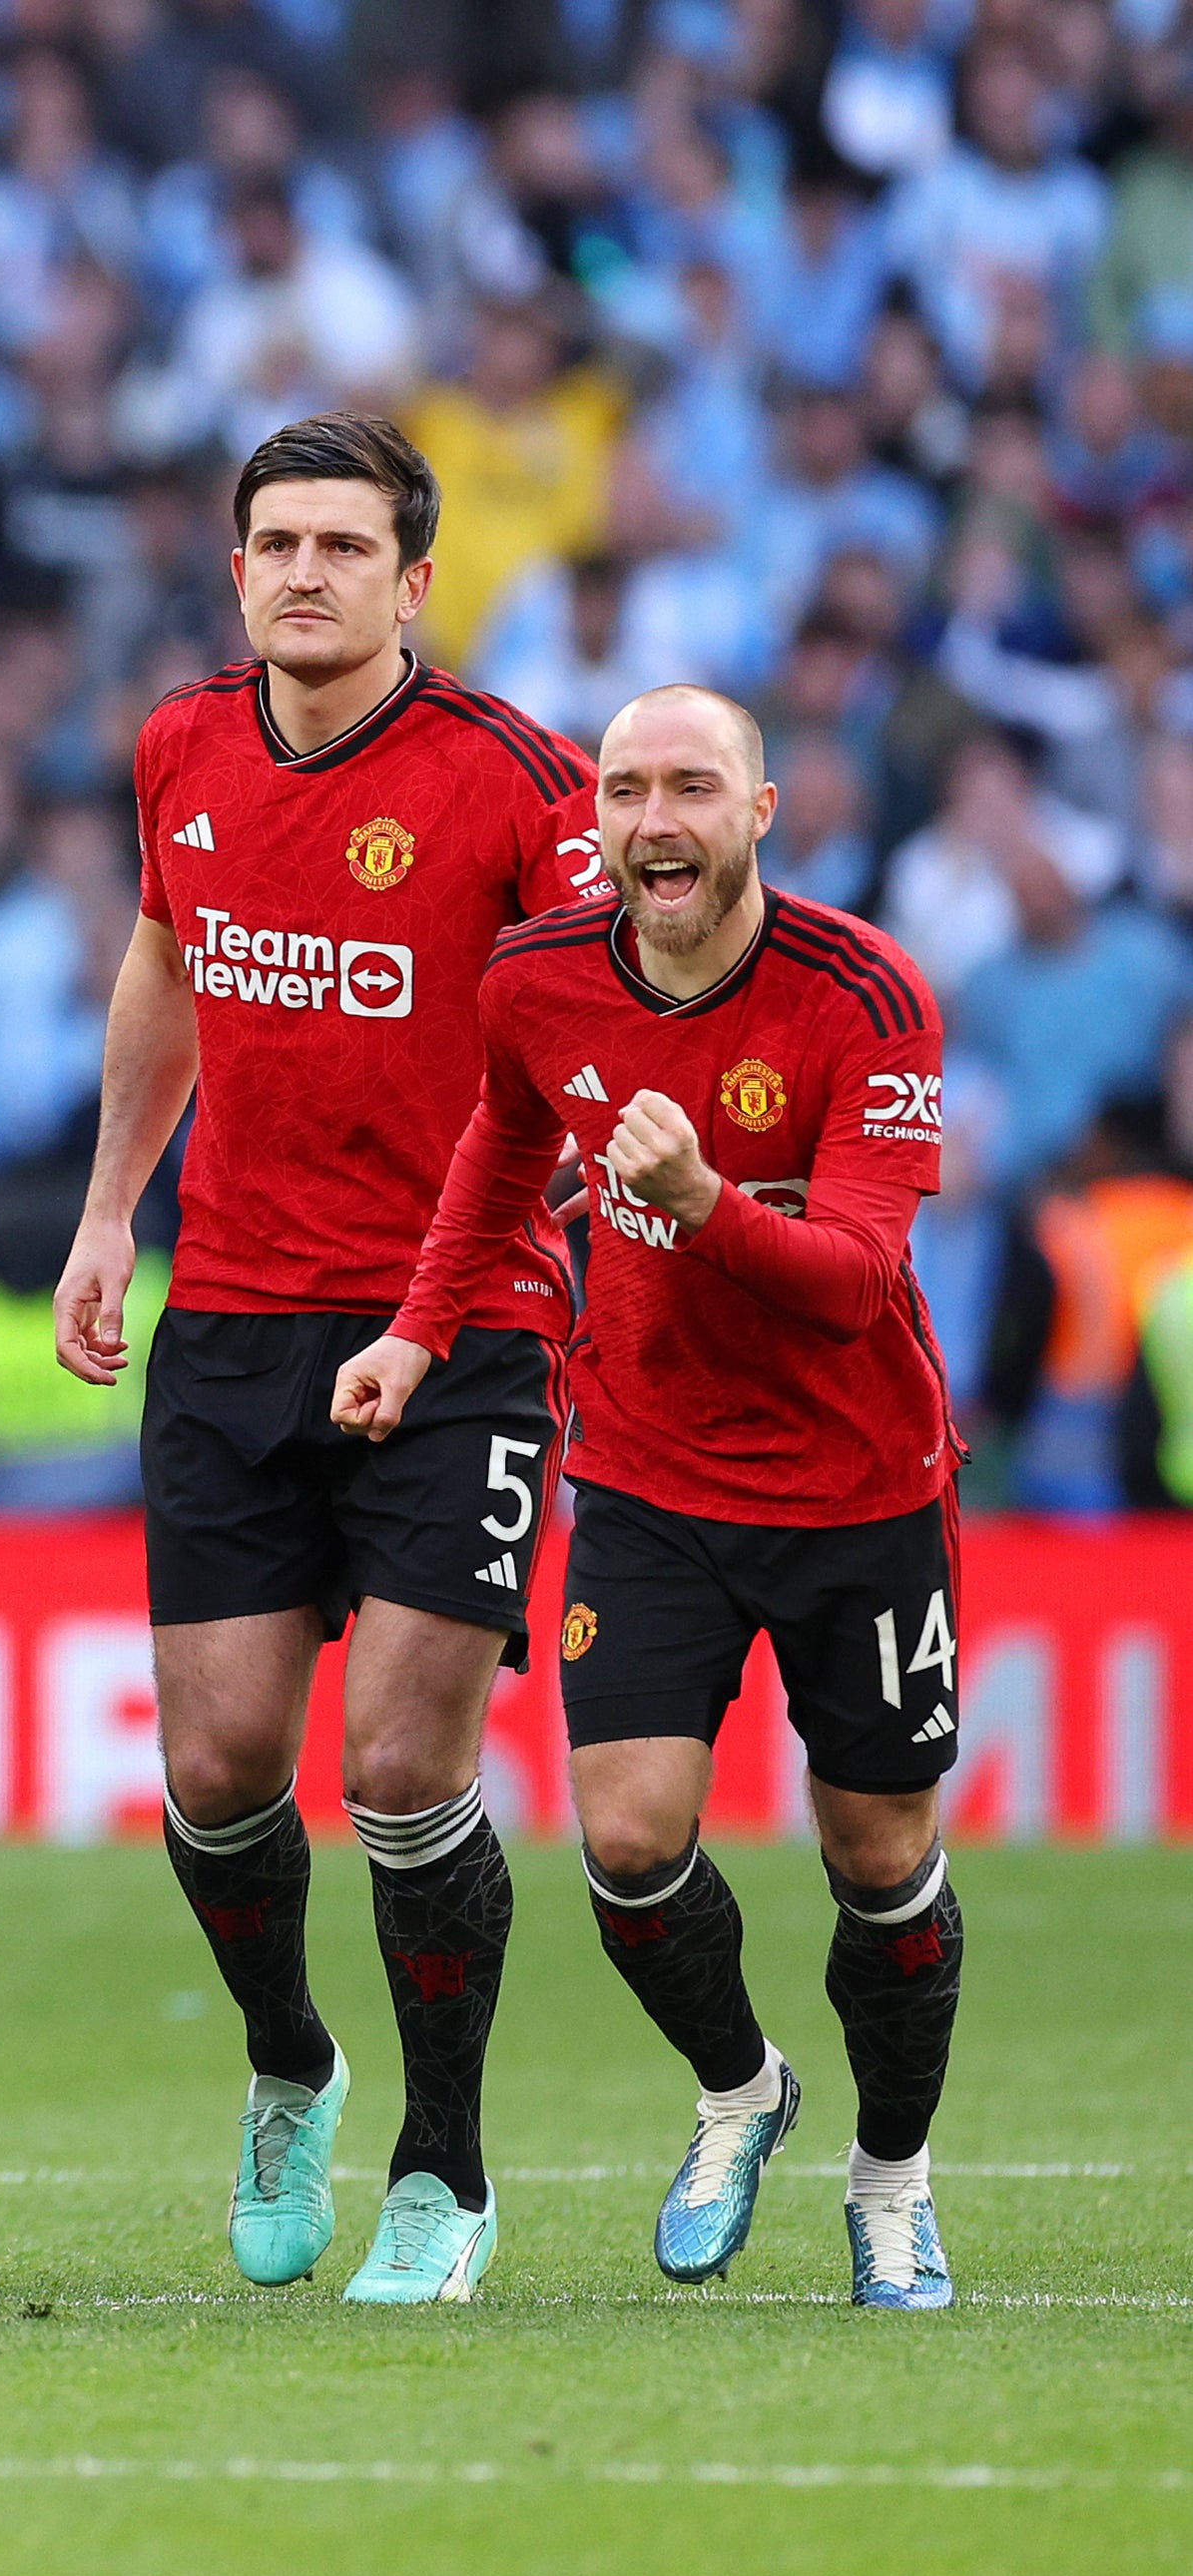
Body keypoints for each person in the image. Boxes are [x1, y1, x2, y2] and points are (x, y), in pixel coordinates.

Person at [53, 412, 609, 2306]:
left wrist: (444, 1310)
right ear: (236, 570)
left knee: (396, 1766)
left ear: (413, 580)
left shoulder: (518, 782)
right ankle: (292, 2061)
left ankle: (443, 2171)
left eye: (342, 547)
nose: (304, 572)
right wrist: (111, 1204)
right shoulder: (182, 745)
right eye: (274, 543)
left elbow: (577, 1042)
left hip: (460, 1331)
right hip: (229, 1318)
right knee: (216, 1769)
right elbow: (165, 963)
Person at [334, 687, 969, 2312]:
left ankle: (892, 2184)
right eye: (625, 790)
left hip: (857, 1487)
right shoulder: (537, 977)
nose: (653, 820)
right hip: (643, 1470)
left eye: (693, 787)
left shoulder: (865, 994)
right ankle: (745, 2088)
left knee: (879, 1861)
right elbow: (496, 1152)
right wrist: (416, 1334)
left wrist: (692, 1197)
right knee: (625, 1844)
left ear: (764, 810)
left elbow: (851, 1281)